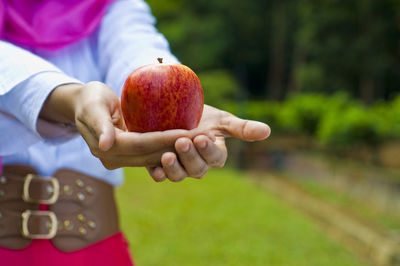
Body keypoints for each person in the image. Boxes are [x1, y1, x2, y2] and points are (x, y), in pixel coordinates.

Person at [0, 0, 270, 265]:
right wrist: (70, 98)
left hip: (96, 249)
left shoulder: (112, 5)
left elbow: (136, 46)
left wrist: (168, 95)